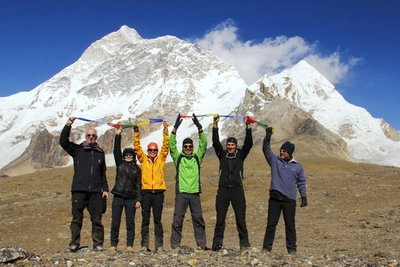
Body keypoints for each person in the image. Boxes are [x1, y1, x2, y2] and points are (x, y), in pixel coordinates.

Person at [59, 116, 109, 252]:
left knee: (97, 220)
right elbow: (63, 141)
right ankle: (74, 243)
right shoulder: (77, 150)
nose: (91, 137)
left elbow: (102, 172)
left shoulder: (100, 153)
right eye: (88, 135)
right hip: (79, 190)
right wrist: (68, 125)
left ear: (96, 137)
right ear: (85, 136)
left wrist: (105, 189)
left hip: (95, 191)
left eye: (93, 135)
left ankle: (98, 244)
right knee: (76, 218)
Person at [261, 128, 308, 256]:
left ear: (290, 153)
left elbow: (301, 182)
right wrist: (267, 138)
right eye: (281, 151)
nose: (281, 153)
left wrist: (303, 196)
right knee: (271, 224)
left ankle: (292, 250)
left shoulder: (297, 166)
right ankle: (266, 249)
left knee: (290, 225)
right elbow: (266, 150)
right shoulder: (275, 161)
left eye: (284, 151)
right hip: (275, 198)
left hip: (289, 200)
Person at [211, 114, 253, 252]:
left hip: (237, 190)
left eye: (232, 145)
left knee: (241, 219)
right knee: (220, 219)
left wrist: (248, 127)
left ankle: (244, 244)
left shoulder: (240, 155)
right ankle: (217, 244)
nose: (230, 147)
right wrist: (215, 125)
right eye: (228, 145)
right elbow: (215, 142)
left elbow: (249, 144)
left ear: (236, 146)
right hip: (223, 190)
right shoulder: (222, 155)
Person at [169, 113, 208, 250]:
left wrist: (199, 128)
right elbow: (171, 146)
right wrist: (174, 129)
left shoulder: (197, 157)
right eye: (185, 147)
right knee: (178, 219)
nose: (188, 149)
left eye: (190, 147)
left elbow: (204, 144)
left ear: (192, 147)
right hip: (182, 193)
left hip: (195, 193)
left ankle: (202, 245)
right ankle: (175, 245)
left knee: (198, 219)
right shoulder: (178, 158)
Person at [134, 121, 169, 252]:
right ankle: (144, 244)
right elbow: (137, 147)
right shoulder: (143, 159)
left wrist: (165, 131)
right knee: (145, 220)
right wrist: (136, 133)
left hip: (159, 193)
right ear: (148, 151)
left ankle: (159, 245)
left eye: (155, 150)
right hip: (146, 193)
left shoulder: (161, 159)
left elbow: (166, 146)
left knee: (157, 220)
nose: (153, 152)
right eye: (151, 150)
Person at [109, 125, 142, 252]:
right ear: (123, 156)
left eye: (130, 155)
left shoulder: (137, 169)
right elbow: (116, 150)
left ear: (133, 157)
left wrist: (139, 199)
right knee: (115, 222)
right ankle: (113, 244)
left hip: (130, 198)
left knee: (130, 223)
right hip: (118, 196)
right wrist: (118, 134)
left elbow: (139, 185)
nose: (128, 156)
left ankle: (129, 245)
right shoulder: (120, 164)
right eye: (126, 155)